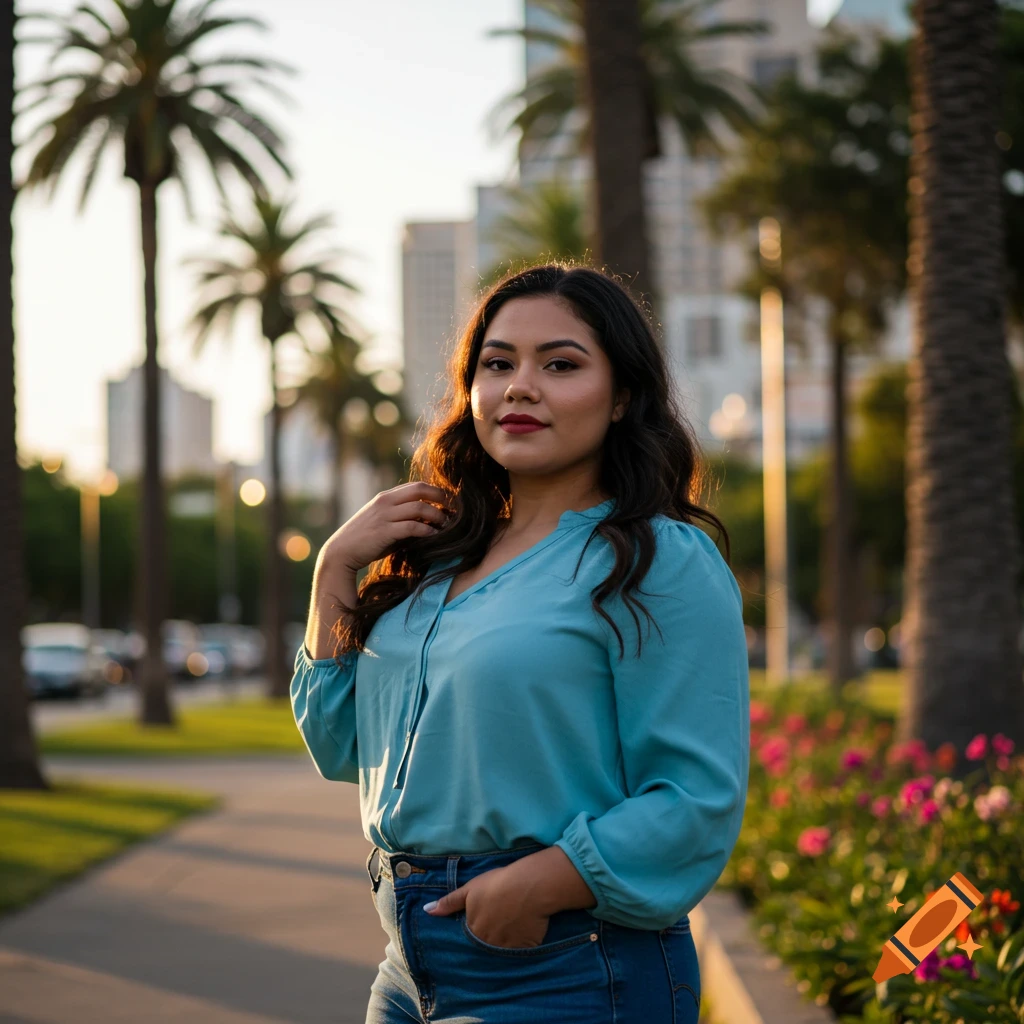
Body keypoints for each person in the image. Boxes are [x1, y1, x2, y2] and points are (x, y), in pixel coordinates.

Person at [291, 264, 750, 1024]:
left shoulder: (656, 560)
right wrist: (334, 567)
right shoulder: (438, 561)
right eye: (498, 364)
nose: (520, 387)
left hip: (567, 960)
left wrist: (533, 888)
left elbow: (695, 798)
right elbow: (340, 747)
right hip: (406, 967)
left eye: (560, 365)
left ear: (622, 396)